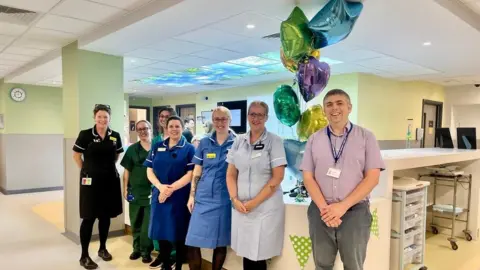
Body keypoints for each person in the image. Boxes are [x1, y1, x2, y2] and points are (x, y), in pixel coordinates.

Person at [300, 89, 385, 270]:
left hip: (355, 212)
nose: (334, 108)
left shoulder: (366, 137)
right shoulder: (314, 139)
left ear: (349, 107)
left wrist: (342, 207)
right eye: (329, 104)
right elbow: (308, 177)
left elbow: (373, 178)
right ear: (324, 110)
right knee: (321, 265)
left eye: (339, 103)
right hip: (320, 213)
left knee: (353, 265)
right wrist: (326, 209)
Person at [226, 101, 287, 270]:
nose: (256, 118)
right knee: (247, 252)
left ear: (266, 117)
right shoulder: (238, 141)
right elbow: (231, 173)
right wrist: (234, 198)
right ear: (247, 117)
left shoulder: (274, 141)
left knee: (259, 254)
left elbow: (277, 177)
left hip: (264, 208)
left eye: (260, 115)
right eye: (253, 114)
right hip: (241, 206)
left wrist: (254, 202)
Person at [72, 104, 124, 270]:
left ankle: (102, 248)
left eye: (105, 117)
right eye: (99, 116)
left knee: (106, 216)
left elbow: (117, 155)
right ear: (94, 117)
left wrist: (105, 169)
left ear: (110, 118)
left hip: (109, 180)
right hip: (90, 182)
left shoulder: (114, 136)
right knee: (88, 217)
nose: (102, 120)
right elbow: (76, 155)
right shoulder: (86, 134)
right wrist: (88, 170)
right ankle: (84, 255)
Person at [186, 106, 236, 270]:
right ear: (212, 121)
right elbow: (197, 170)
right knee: (192, 241)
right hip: (203, 197)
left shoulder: (238, 142)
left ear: (229, 120)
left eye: (223, 119)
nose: (220, 122)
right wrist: (192, 196)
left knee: (220, 242)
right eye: (216, 119)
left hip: (224, 198)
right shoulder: (205, 142)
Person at [144, 116, 196, 270]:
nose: (174, 129)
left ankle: (178, 266)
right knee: (161, 233)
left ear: (182, 128)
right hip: (159, 196)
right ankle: (166, 265)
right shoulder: (157, 146)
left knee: (179, 233)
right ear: (166, 128)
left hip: (179, 197)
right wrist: (161, 187)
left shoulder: (189, 149)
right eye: (171, 126)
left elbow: (190, 174)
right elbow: (149, 170)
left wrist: (170, 189)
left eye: (177, 126)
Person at [120, 120, 154, 264]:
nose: (142, 132)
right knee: (135, 222)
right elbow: (126, 171)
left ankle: (146, 251)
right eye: (139, 129)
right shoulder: (132, 149)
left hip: (152, 192)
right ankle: (136, 249)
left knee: (147, 224)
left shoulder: (158, 147)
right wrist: (125, 189)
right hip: (135, 191)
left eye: (145, 128)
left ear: (150, 129)